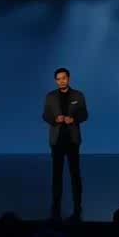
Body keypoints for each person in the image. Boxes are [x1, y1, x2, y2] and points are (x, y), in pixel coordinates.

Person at [42, 67, 88, 221]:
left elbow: (84, 114)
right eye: (58, 79)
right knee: (57, 174)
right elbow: (45, 115)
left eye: (64, 78)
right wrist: (55, 119)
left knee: (75, 174)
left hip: (73, 140)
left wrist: (73, 119)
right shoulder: (50, 96)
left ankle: (78, 205)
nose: (61, 81)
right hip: (56, 140)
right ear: (56, 81)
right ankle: (55, 205)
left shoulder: (78, 95)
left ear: (69, 78)